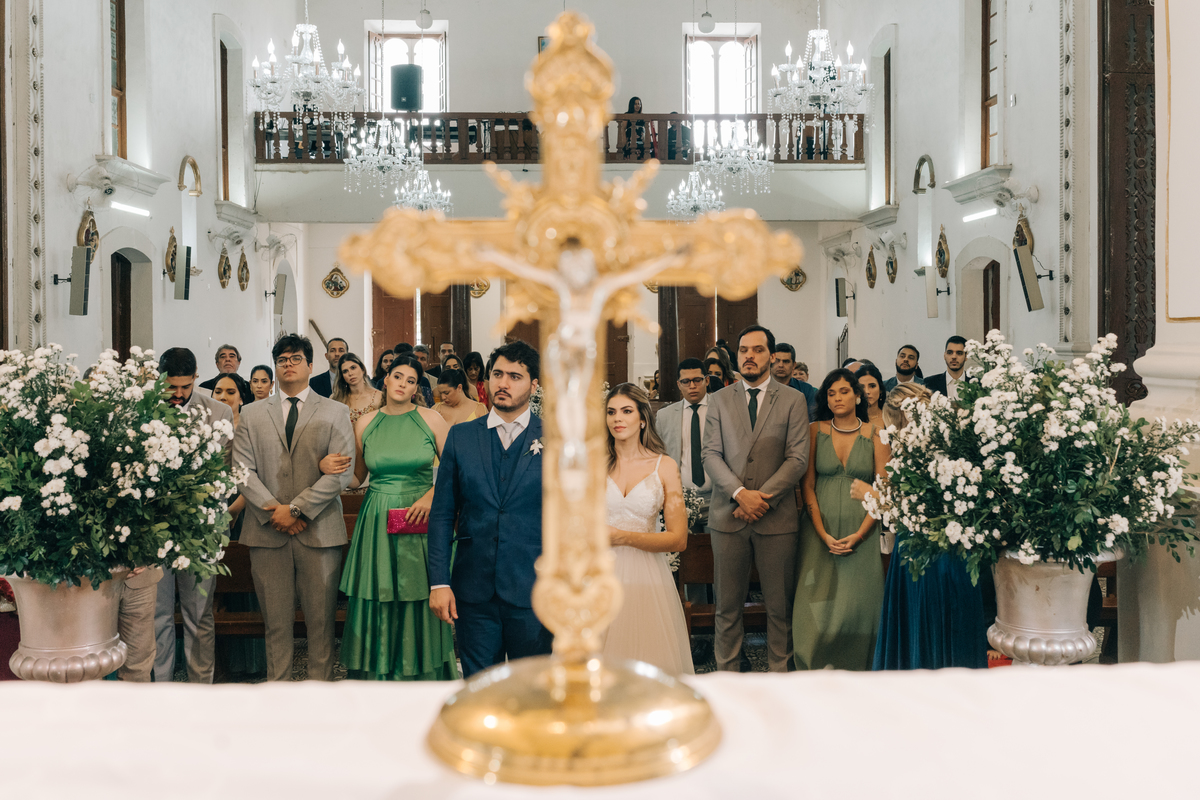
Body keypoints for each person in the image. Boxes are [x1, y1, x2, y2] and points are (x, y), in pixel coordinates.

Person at [233, 334, 355, 681]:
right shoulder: (252, 413)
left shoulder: (335, 410)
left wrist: (297, 509)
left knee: (320, 624)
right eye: (282, 359)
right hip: (267, 531)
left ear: (311, 366)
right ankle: (279, 695)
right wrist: (276, 510)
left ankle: (319, 696)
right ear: (275, 367)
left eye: (296, 358)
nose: (289, 363)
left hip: (318, 531)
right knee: (275, 624)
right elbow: (242, 470)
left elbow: (342, 474)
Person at [428, 341, 553, 677]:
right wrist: (439, 582)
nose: (504, 383)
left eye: (515, 376)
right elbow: (441, 514)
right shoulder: (461, 437)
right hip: (474, 589)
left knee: (535, 691)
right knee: (479, 691)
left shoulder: (558, 440)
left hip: (536, 588)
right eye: (497, 374)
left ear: (534, 385)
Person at [329, 356, 458, 680]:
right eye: (397, 376)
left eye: (410, 380)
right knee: (379, 594)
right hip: (376, 519)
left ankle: (423, 676)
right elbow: (357, 477)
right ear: (385, 380)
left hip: (420, 518)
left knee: (418, 594)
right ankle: (378, 676)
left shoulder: (432, 419)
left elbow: (455, 472)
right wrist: (327, 467)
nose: (402, 383)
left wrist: (430, 496)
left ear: (417, 388)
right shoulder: (365, 422)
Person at [701, 325, 811, 672]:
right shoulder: (718, 399)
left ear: (771, 355)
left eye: (758, 350)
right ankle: (728, 679)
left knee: (780, 608)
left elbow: (797, 458)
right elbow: (710, 454)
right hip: (728, 517)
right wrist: (740, 495)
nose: (749, 356)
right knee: (727, 608)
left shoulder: (792, 399)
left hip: (775, 519)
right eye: (744, 350)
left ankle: (781, 679)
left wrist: (761, 498)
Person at [862, 384, 987, 670]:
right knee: (950, 614)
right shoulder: (952, 439)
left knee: (922, 613)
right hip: (953, 541)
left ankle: (918, 671)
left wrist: (873, 496)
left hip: (922, 546)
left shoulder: (910, 446)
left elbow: (906, 502)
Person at [792, 368, 889, 671]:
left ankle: (861, 667)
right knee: (814, 599)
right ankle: (813, 666)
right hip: (819, 531)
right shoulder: (813, 430)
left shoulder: (876, 434)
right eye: (831, 393)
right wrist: (822, 533)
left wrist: (860, 535)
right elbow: (807, 486)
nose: (837, 398)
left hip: (864, 530)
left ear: (858, 396)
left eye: (844, 391)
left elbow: (883, 489)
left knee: (859, 603)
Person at [153, 348, 234, 684]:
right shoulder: (143, 411)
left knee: (199, 616)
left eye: (186, 386)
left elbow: (225, 474)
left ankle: (201, 690)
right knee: (156, 616)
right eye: (172, 387)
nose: (180, 394)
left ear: (196, 377)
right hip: (154, 530)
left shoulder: (219, 413)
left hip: (200, 530)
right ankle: (160, 688)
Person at [602, 383, 693, 675]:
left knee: (650, 662)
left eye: (626, 411)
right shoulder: (594, 465)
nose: (618, 418)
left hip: (648, 575)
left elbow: (678, 539)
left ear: (642, 418)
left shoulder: (663, 466)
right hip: (600, 574)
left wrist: (621, 537)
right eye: (611, 412)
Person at [210, 372, 268, 679]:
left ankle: (249, 661)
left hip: (241, 508)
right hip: (212, 506)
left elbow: (254, 476)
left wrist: (231, 511)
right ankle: (222, 661)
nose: (222, 396)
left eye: (230, 391)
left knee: (243, 581)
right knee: (216, 587)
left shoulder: (248, 428)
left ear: (241, 397)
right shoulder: (207, 428)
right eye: (218, 391)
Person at [656, 358, 713, 520]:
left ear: (706, 380)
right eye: (686, 381)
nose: (692, 386)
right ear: (679, 384)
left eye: (697, 380)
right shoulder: (665, 416)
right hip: (682, 499)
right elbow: (658, 457)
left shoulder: (721, 408)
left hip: (718, 498)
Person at [333, 353, 384, 424]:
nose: (350, 373)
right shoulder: (336, 398)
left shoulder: (379, 397)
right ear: (342, 376)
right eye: (345, 371)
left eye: (353, 368)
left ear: (362, 369)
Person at [772, 342, 818, 419]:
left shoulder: (806, 390)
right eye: (777, 361)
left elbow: (811, 420)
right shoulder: (762, 387)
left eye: (786, 361)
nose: (781, 365)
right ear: (770, 362)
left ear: (794, 365)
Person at [924, 336, 968, 400]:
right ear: (944, 355)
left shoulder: (977, 384)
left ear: (966, 356)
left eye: (959, 353)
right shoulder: (929, 383)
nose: (954, 356)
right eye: (950, 352)